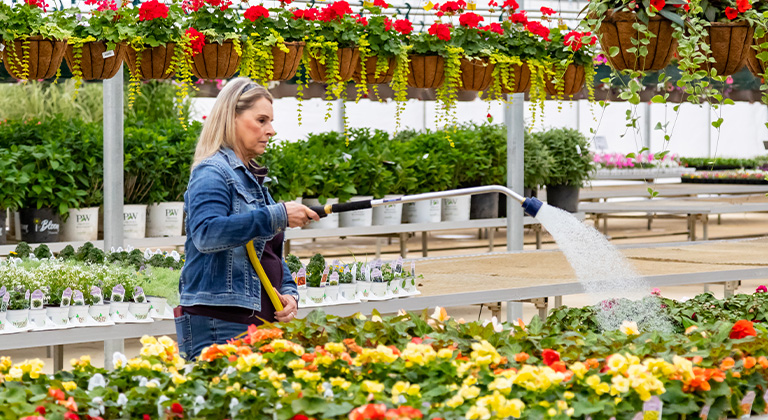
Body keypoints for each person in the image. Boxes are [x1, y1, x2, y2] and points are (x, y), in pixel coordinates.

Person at [175, 78, 319, 360]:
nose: (271, 130)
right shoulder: (212, 172)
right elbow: (206, 233)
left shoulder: (251, 179)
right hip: (220, 322)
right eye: (262, 120)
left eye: (271, 121)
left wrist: (289, 294)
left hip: (253, 319)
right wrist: (277, 214)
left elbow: (266, 252)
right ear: (232, 118)